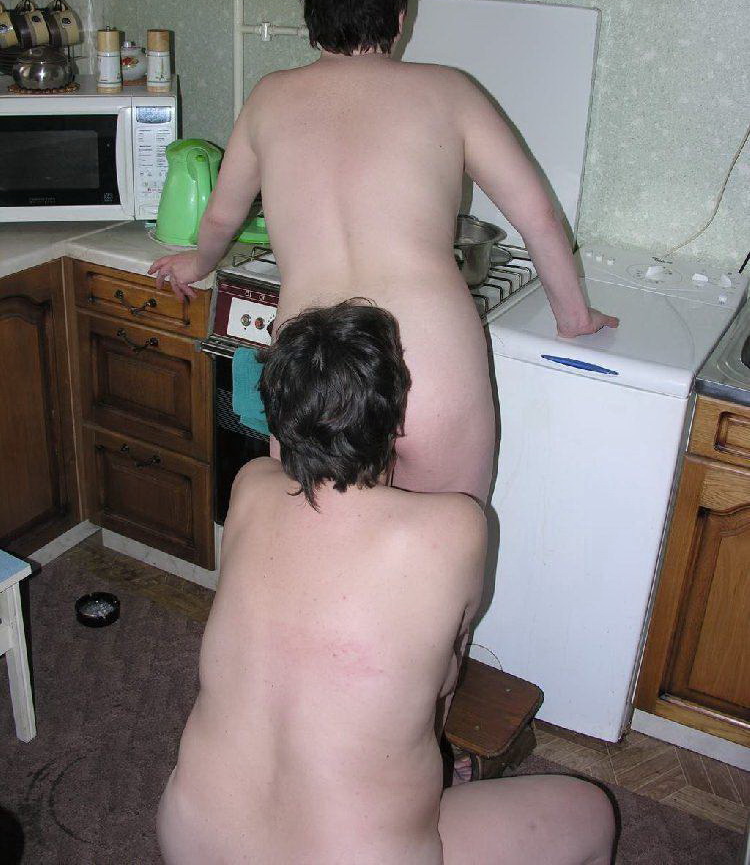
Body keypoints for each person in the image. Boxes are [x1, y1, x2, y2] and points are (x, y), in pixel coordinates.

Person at [149, 0, 618, 503]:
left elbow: (222, 220)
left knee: (321, 546)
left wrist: (198, 263)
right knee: (445, 544)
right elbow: (539, 217)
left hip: (314, 373)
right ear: (399, 18)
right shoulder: (450, 92)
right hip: (431, 368)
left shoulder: (268, 97)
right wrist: (573, 316)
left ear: (311, 18)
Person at [156, 301, 615, 864]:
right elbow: (443, 680)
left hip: (193, 840)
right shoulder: (458, 525)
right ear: (395, 421)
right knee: (592, 812)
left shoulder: (250, 485)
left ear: (278, 416)